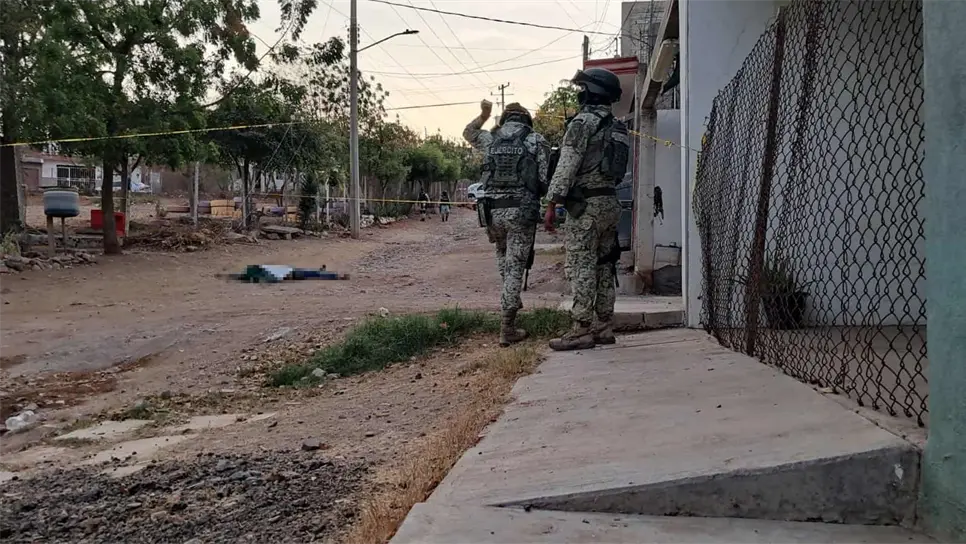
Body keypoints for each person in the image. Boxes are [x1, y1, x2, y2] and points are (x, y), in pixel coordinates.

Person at [544, 67, 629, 351]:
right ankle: (604, 326)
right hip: (610, 203)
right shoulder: (617, 127)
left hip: (586, 206)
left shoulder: (582, 123)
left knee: (582, 265)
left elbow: (567, 164)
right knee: (605, 265)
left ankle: (581, 329)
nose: (579, 94)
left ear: (591, 92)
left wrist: (552, 202)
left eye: (582, 89)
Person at [464, 101, 550, 347]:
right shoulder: (536, 140)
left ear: (504, 118)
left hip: (492, 211)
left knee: (502, 255)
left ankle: (509, 299)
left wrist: (483, 115)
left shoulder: (491, 139)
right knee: (515, 267)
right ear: (526, 120)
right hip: (521, 211)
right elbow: (543, 180)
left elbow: (468, 133)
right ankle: (507, 327)